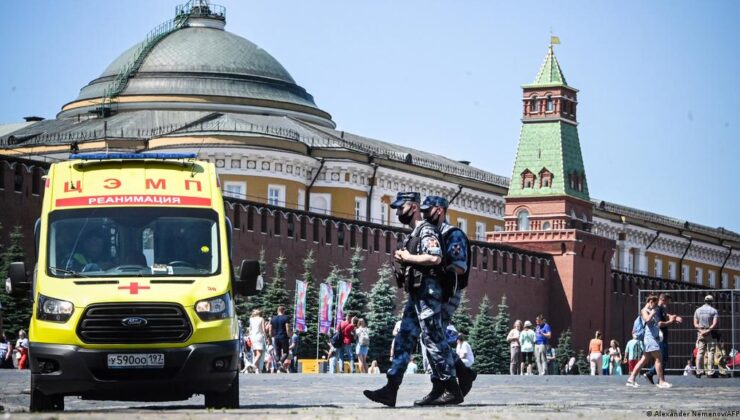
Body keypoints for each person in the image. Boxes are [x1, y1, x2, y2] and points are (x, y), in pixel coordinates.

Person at [364, 192, 461, 408]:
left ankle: (452, 388)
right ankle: (391, 388)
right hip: (417, 294)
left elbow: (435, 257)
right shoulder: (415, 233)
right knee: (404, 338)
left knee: (433, 338)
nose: (398, 212)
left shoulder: (426, 230)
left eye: (402, 207)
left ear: (414, 207)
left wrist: (408, 258)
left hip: (429, 293)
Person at [418, 195, 477, 401]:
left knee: (432, 336)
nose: (424, 214)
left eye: (428, 210)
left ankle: (449, 382)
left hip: (447, 293)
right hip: (434, 293)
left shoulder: (453, 234)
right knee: (430, 337)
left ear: (440, 210)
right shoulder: (433, 233)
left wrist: (435, 270)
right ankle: (450, 378)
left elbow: (460, 266)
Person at [626, 294, 671, 388]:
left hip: (651, 338)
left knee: (644, 359)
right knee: (659, 358)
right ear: (650, 302)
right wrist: (652, 313)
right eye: (654, 304)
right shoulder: (644, 310)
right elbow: (647, 319)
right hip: (649, 338)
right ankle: (661, 382)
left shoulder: (650, 310)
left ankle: (631, 379)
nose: (655, 307)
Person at [644, 293, 682, 384]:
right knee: (662, 359)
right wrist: (671, 321)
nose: (669, 303)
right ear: (663, 299)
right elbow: (660, 324)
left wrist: (674, 318)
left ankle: (656, 377)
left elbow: (665, 314)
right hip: (659, 337)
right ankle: (656, 377)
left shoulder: (661, 308)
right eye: (668, 301)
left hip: (661, 337)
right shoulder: (657, 309)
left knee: (662, 359)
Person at [694, 294, 718, 377]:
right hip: (710, 333)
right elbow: (714, 324)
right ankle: (710, 372)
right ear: (711, 301)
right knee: (711, 352)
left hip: (700, 333)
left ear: (704, 301)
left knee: (700, 352)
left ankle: (698, 372)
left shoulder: (698, 310)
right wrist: (708, 330)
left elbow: (695, 324)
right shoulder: (714, 311)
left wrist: (701, 331)